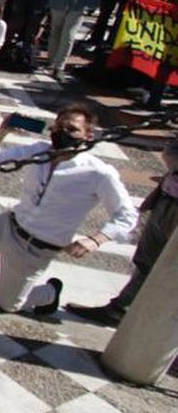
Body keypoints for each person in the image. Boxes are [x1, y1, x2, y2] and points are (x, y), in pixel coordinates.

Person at [0, 105, 137, 314]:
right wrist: (4, 130)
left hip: (35, 247)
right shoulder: (39, 151)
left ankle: (50, 292)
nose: (62, 133)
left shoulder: (99, 173)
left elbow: (126, 216)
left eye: (72, 129)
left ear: (88, 135)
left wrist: (95, 240)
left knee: (9, 305)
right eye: (59, 127)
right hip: (7, 224)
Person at [67, 136, 178, 326]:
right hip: (166, 202)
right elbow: (170, 154)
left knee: (166, 269)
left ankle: (143, 318)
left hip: (171, 210)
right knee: (146, 262)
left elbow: (171, 155)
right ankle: (121, 309)